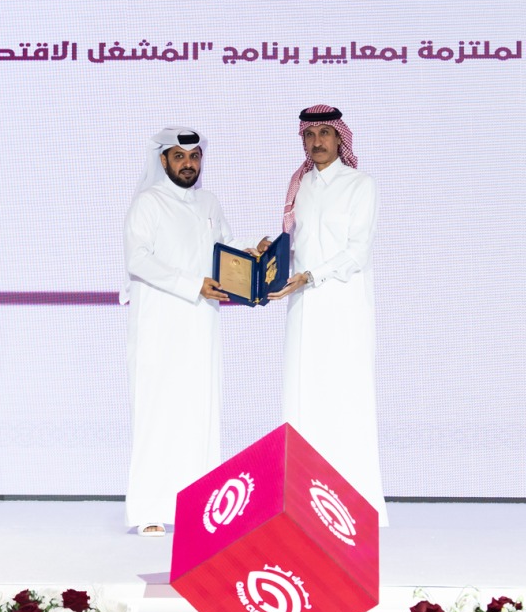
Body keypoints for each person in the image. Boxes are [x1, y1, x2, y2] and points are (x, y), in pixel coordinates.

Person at [121, 126, 263, 536]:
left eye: (195, 156)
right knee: (158, 413)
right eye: (180, 156)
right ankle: (149, 510)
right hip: (159, 326)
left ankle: (200, 509)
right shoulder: (148, 203)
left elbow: (226, 248)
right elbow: (138, 260)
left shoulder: (209, 202)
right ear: (163, 160)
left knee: (200, 413)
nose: (188, 164)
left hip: (202, 325)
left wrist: (255, 252)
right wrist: (192, 284)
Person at [271, 105, 388, 525]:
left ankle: (354, 506)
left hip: (343, 308)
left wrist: (310, 275)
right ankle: (301, 504)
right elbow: (294, 247)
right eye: (310, 134)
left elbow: (357, 253)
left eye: (325, 133)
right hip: (303, 309)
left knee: (344, 398)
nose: (317, 141)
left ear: (340, 138)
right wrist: (264, 258)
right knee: (302, 398)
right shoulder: (299, 185)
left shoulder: (360, 185)